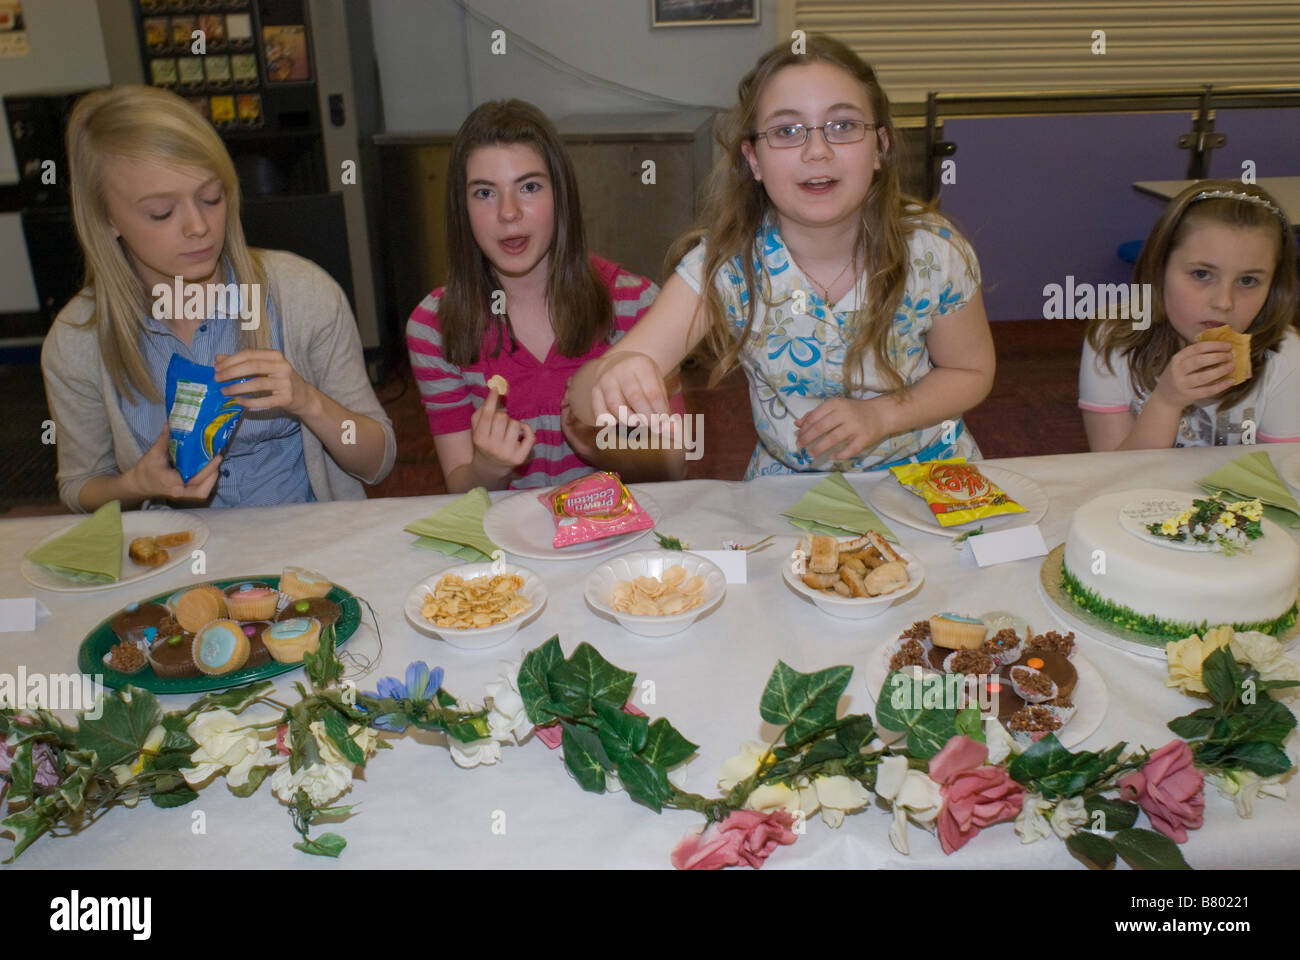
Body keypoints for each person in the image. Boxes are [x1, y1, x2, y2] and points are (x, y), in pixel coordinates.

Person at [566, 35, 994, 478]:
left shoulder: (934, 252)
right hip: (790, 490)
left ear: (880, 148)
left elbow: (971, 371)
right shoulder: (726, 265)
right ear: (753, 160)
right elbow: (583, 398)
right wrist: (616, 372)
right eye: (787, 131)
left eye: (843, 125)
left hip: (932, 473)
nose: (816, 151)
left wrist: (882, 415)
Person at [41, 85, 395, 512]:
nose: (198, 227)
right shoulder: (77, 338)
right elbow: (80, 486)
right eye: (161, 213)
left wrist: (309, 402)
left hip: (307, 550)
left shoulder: (302, 294)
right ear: (106, 218)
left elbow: (378, 460)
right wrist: (136, 485)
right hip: (173, 556)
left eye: (211, 198)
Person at [406, 99, 686, 492]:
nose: (508, 212)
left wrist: (604, 444)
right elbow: (460, 487)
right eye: (485, 193)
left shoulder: (637, 305)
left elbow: (677, 465)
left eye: (530, 187)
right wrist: (488, 468)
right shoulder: (432, 327)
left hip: (615, 544)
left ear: (562, 196)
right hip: (507, 549)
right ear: (462, 208)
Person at [1080, 180, 1300, 449]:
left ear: (1274, 286)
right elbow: (1111, 475)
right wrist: (1166, 402)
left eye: (1248, 281)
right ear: (1160, 269)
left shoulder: (1285, 352)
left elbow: (1281, 474)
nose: (1224, 302)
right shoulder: (1113, 338)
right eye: (1202, 274)